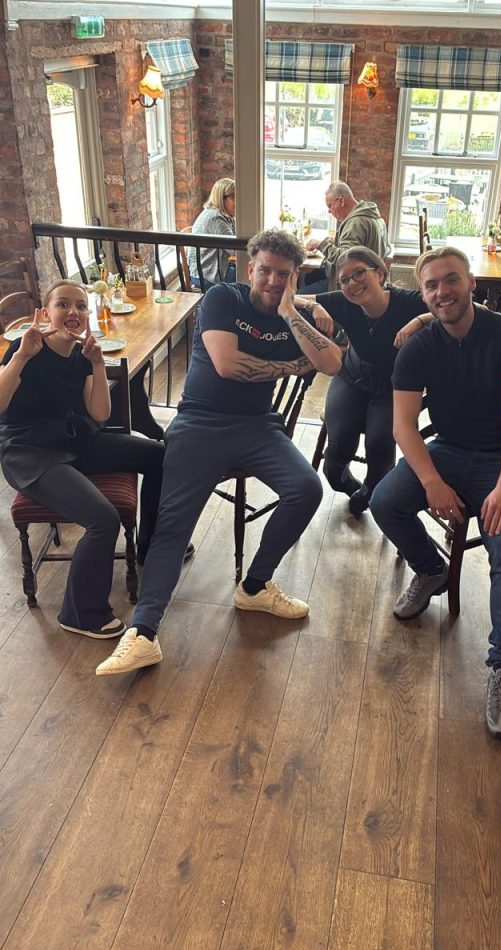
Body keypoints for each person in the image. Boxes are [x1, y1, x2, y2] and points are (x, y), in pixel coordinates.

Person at [96, 229, 343, 676]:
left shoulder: (293, 315)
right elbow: (228, 366)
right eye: (265, 270)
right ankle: (144, 632)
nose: (272, 280)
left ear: (295, 277)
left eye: (283, 274)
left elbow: (332, 363)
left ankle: (255, 586)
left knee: (307, 488)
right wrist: (290, 365)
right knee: (174, 524)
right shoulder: (223, 298)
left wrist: (295, 309)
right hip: (200, 422)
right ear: (251, 269)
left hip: (258, 427)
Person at [369, 246, 501, 741]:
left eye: (451, 280)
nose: (442, 292)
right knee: (384, 501)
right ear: (423, 294)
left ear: (471, 284)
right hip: (448, 450)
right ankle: (431, 570)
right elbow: (403, 426)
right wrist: (431, 481)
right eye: (431, 285)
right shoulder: (419, 346)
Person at [0, 280, 165, 639]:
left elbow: (100, 413)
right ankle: (80, 613)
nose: (72, 311)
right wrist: (21, 356)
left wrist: (98, 365)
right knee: (103, 518)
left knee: (158, 455)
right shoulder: (24, 347)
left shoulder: (81, 355)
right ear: (45, 313)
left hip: (73, 440)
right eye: (63, 304)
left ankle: (151, 546)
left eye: (80, 306)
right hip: (29, 452)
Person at [296, 246, 428, 515]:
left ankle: (370, 491)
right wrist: (314, 305)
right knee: (335, 456)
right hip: (353, 376)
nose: (352, 283)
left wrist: (420, 320)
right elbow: (287, 298)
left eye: (359, 273)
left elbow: (468, 308)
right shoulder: (343, 301)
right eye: (344, 279)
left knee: (379, 447)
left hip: (395, 387)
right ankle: (348, 483)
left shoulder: (408, 302)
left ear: (380, 273)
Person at [299, 181, 390, 294]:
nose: (329, 211)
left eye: (330, 205)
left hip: (353, 286)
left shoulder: (355, 223)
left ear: (341, 201)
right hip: (369, 281)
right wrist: (336, 242)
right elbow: (361, 247)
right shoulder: (374, 217)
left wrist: (321, 244)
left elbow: (345, 260)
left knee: (299, 295)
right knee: (311, 276)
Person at [187, 178, 236, 290]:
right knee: (248, 278)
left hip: (214, 269)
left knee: (248, 273)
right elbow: (235, 249)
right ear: (221, 198)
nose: (238, 201)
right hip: (205, 274)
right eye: (233, 197)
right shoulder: (215, 218)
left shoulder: (226, 217)